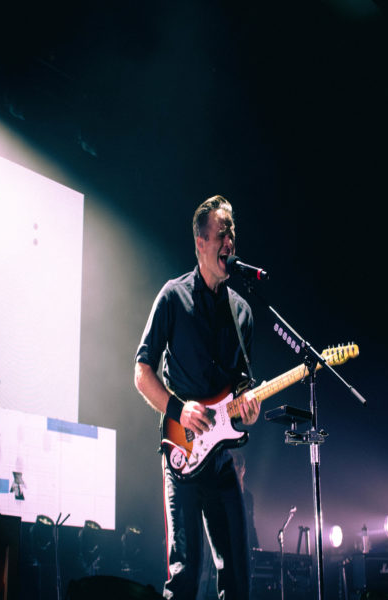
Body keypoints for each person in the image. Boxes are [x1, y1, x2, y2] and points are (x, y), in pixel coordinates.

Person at [134, 195, 261, 600]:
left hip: (221, 461)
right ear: (200, 243)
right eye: (222, 234)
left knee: (238, 579)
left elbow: (241, 391)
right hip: (182, 452)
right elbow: (142, 373)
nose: (229, 242)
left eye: (232, 234)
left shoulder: (243, 313)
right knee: (185, 576)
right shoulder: (173, 297)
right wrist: (179, 408)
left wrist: (249, 410)